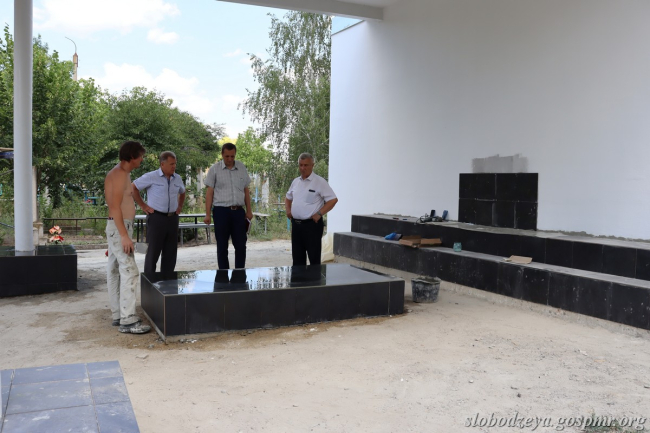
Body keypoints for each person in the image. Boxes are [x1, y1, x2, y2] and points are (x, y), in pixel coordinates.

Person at [104, 141, 151, 334]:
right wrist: (123, 236)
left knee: (114, 270)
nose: (142, 160)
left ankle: (118, 315)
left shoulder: (123, 173)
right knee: (130, 270)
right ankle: (128, 320)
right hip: (119, 227)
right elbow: (114, 206)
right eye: (141, 156)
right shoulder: (119, 174)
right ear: (132, 157)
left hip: (118, 227)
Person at [132, 151, 186, 276]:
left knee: (170, 252)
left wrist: (179, 206)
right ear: (162, 164)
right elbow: (133, 187)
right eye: (171, 164)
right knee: (153, 251)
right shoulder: (151, 176)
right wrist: (143, 205)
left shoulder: (177, 178)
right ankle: (149, 280)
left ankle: (167, 281)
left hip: (172, 218)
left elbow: (182, 192)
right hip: (156, 218)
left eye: (175, 164)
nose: (174, 166)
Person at [203, 143, 253, 269]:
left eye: (232, 156)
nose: (230, 159)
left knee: (241, 245)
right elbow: (209, 193)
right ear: (222, 154)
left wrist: (249, 210)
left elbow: (246, 190)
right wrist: (207, 214)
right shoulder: (214, 169)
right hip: (221, 212)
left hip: (238, 212)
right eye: (227, 156)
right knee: (222, 246)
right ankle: (223, 275)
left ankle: (239, 273)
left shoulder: (241, 167)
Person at [285, 153, 338, 266]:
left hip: (312, 226)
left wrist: (319, 213)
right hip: (296, 226)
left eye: (306, 165)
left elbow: (333, 200)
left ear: (312, 165)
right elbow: (288, 197)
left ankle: (314, 278)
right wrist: (288, 210)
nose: (303, 168)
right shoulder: (296, 182)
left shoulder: (319, 182)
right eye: (301, 165)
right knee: (297, 260)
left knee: (314, 259)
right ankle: (299, 278)